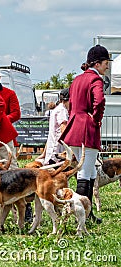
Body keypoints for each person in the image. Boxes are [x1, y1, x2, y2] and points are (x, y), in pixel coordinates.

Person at [60, 44, 110, 224]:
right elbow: (100, 100)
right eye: (105, 63)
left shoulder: (76, 80)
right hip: (87, 128)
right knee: (85, 172)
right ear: (97, 64)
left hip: (74, 128)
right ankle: (82, 214)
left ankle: (86, 213)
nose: (107, 66)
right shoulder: (96, 80)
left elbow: (72, 105)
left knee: (86, 171)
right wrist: (96, 119)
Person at [43, 88, 70, 165]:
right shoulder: (62, 110)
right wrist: (70, 145)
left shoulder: (58, 109)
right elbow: (63, 128)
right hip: (57, 149)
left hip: (54, 148)